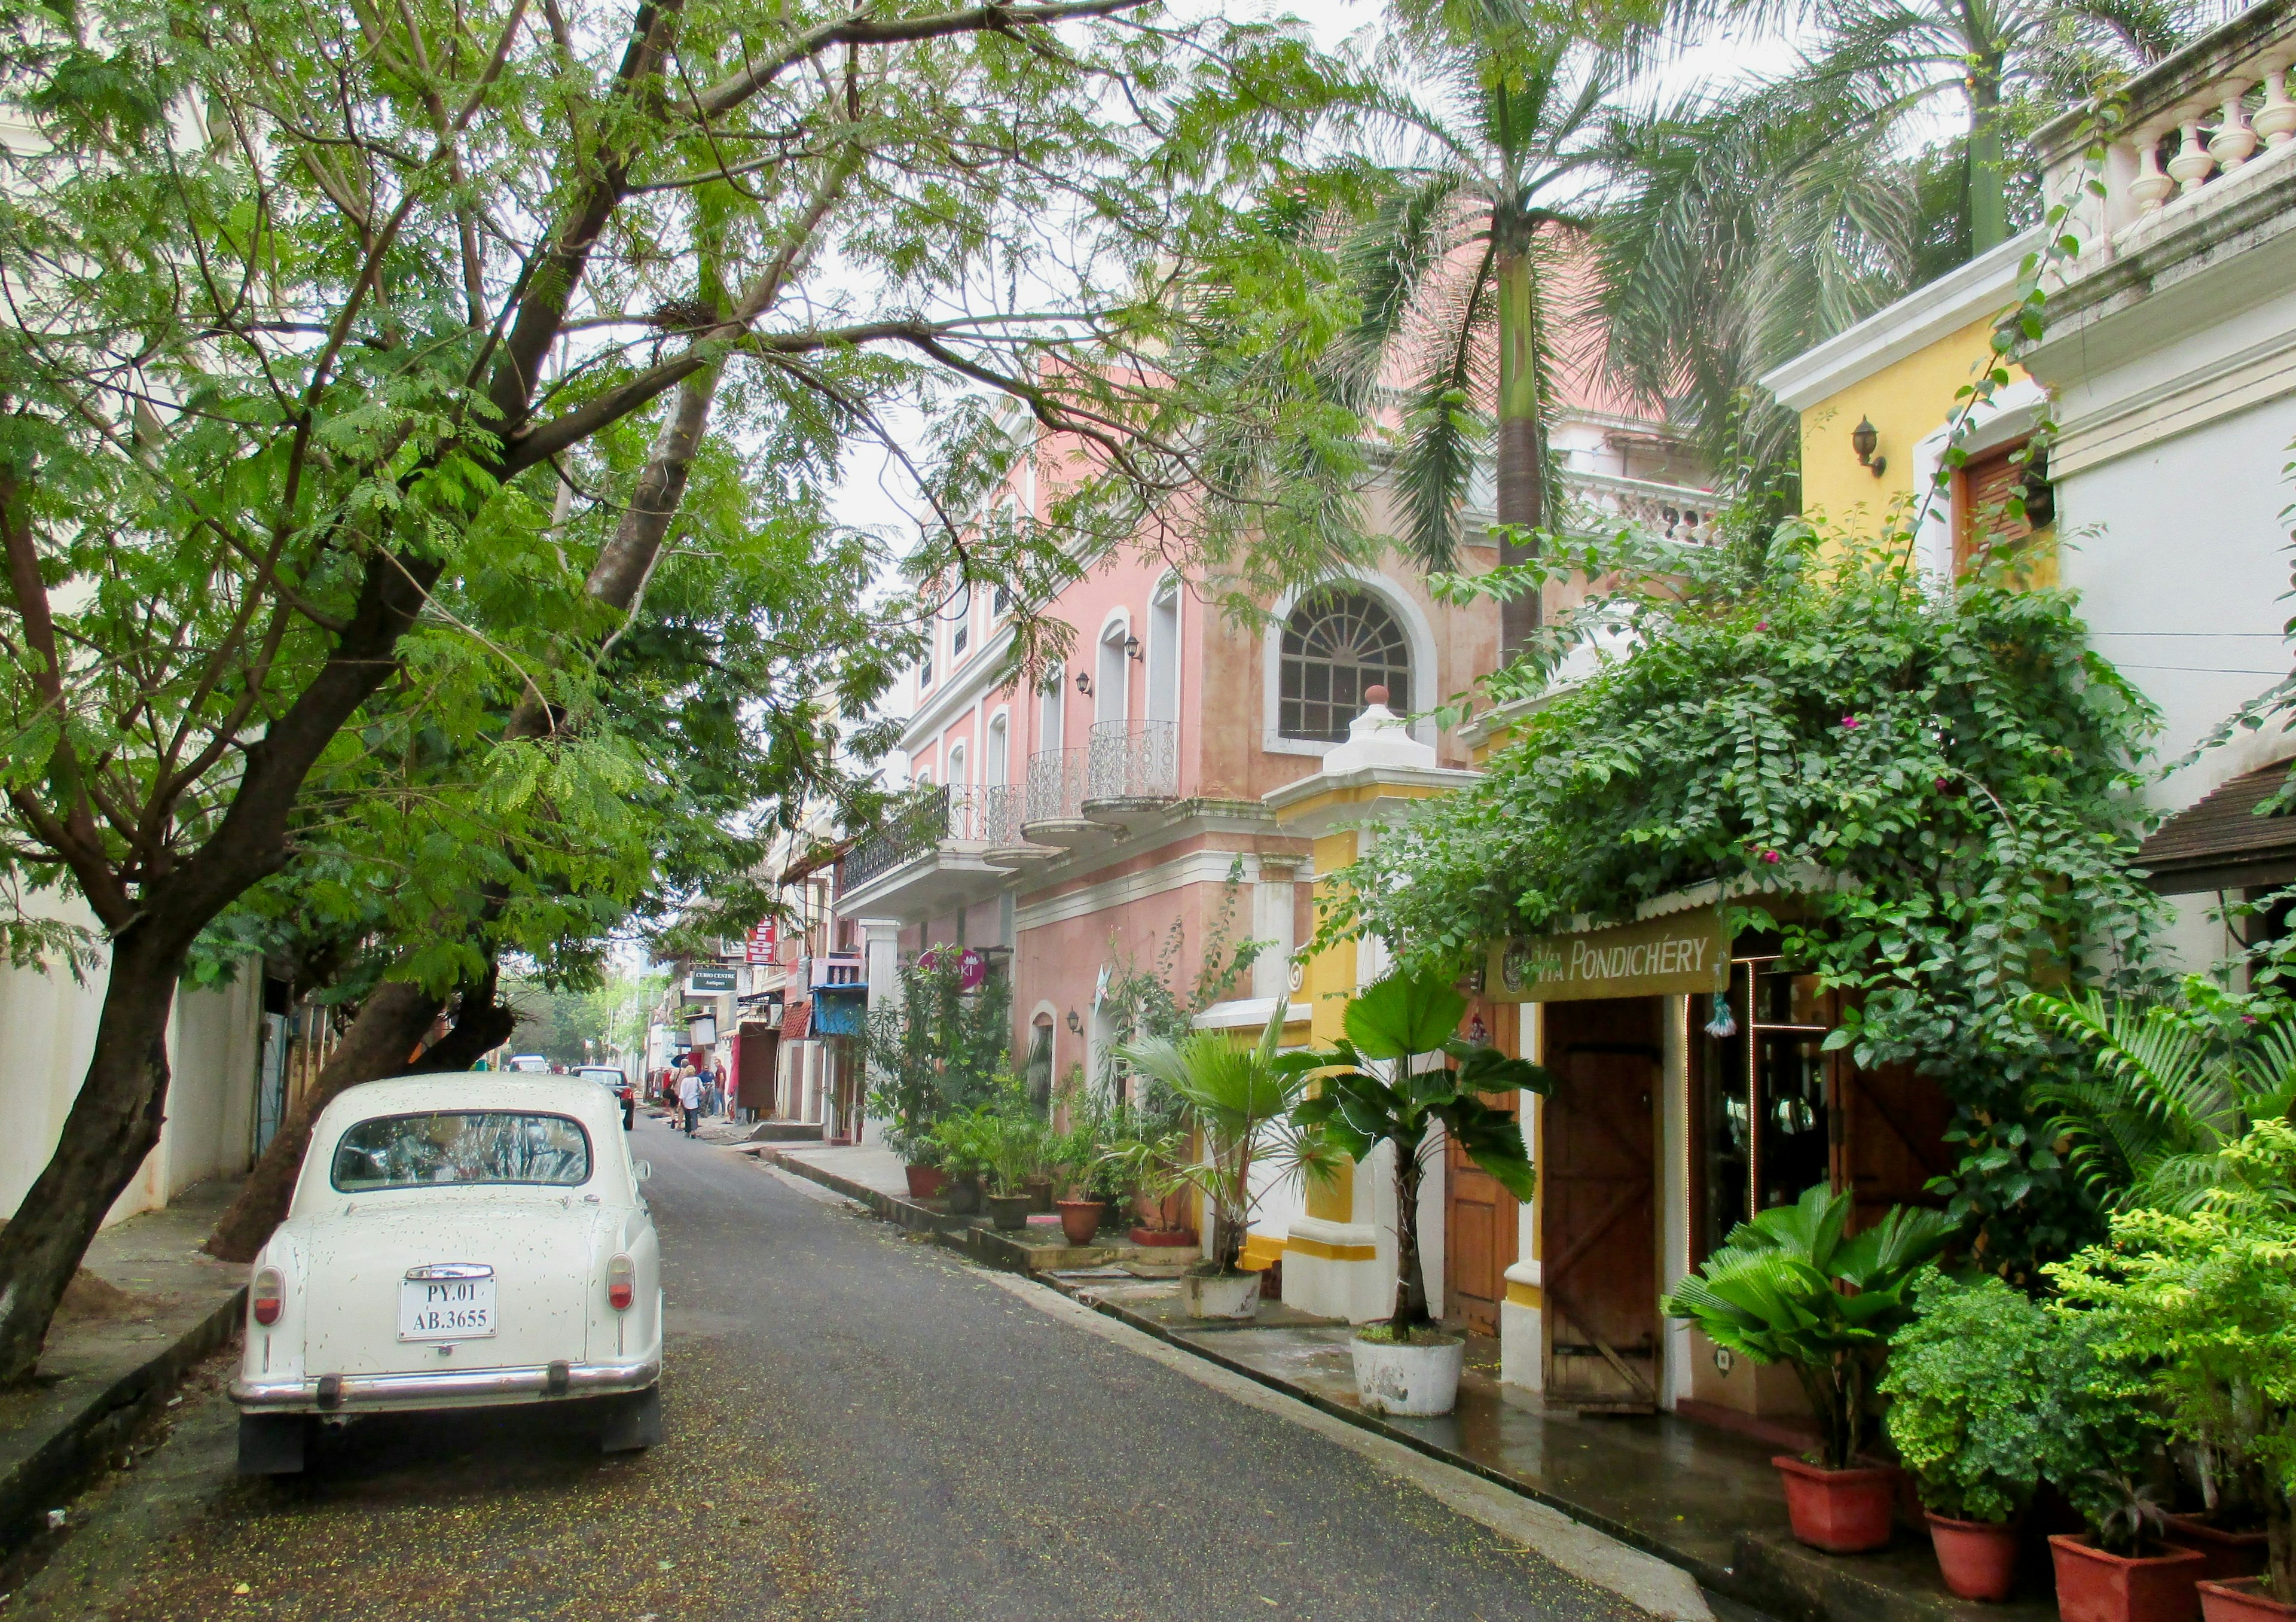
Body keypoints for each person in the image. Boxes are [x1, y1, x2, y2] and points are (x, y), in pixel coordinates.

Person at [678, 1065, 701, 1136]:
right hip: (695, 1100)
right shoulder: (697, 1079)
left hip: (686, 1101)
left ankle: (688, 1131)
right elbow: (702, 1089)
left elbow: (683, 1093)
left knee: (687, 1117)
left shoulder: (685, 1081)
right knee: (694, 1116)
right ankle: (693, 1131)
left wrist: (680, 1102)